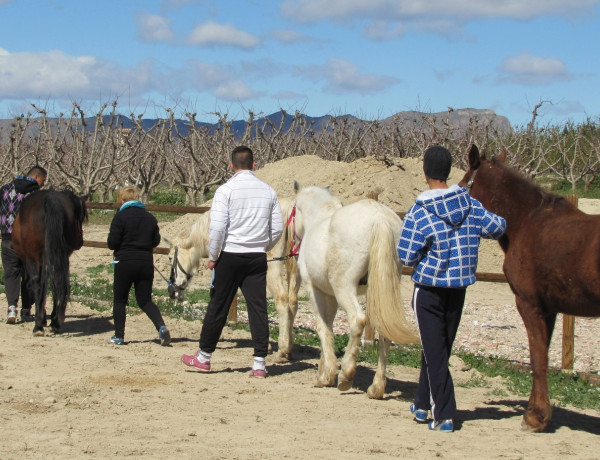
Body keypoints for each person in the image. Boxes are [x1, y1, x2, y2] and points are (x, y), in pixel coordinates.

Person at [397, 145, 506, 433]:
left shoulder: (419, 212)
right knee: (438, 350)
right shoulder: (470, 205)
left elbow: (406, 255)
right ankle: (422, 403)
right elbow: (497, 227)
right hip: (458, 289)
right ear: (449, 171)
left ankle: (443, 413)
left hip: (429, 290)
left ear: (425, 172)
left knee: (436, 353)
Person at [181, 145, 283, 378]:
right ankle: (259, 364)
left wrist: (214, 256)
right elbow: (277, 227)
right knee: (258, 308)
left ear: (231, 165)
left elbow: (217, 227)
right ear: (254, 164)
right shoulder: (268, 191)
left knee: (218, 305)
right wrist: (263, 246)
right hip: (256, 257)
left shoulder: (225, 190)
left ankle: (204, 357)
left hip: (229, 256)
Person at [106, 186, 170, 346]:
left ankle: (119, 336)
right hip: (145, 263)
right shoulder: (150, 218)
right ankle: (161, 326)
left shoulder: (120, 217)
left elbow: (112, 243)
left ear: (122, 200)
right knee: (145, 300)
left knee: (120, 300)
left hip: (124, 262)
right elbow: (155, 241)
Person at [1, 166, 47, 323]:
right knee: (29, 274)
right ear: (36, 177)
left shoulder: (5, 189)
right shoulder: (38, 195)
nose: (43, 184)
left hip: (8, 237)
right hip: (30, 239)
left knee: (11, 273)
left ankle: (11, 308)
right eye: (42, 180)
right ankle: (26, 310)